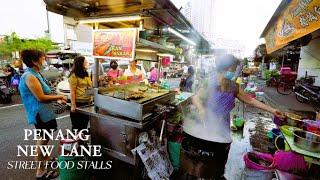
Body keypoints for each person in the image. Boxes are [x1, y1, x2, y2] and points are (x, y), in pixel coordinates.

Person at [190, 54, 284, 179]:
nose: (234, 72)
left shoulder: (232, 86)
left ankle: (219, 174)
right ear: (225, 68)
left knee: (222, 156)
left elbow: (250, 100)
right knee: (207, 159)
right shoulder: (209, 82)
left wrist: (272, 110)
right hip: (208, 126)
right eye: (233, 69)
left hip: (223, 128)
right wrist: (201, 109)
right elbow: (195, 97)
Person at [19, 49, 67, 179]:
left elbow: (46, 92)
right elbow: (40, 97)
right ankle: (40, 172)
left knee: (45, 138)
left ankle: (46, 158)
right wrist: (59, 96)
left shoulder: (36, 73)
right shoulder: (29, 76)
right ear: (34, 61)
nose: (44, 60)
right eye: (42, 58)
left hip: (45, 112)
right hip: (39, 114)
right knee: (42, 140)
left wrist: (56, 98)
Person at [69, 56, 92, 131]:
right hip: (78, 103)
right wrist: (73, 105)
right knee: (77, 127)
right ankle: (76, 141)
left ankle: (82, 142)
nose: (87, 63)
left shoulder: (86, 74)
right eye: (85, 62)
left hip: (87, 102)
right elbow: (72, 91)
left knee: (84, 125)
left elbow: (90, 86)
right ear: (80, 63)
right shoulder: (74, 75)